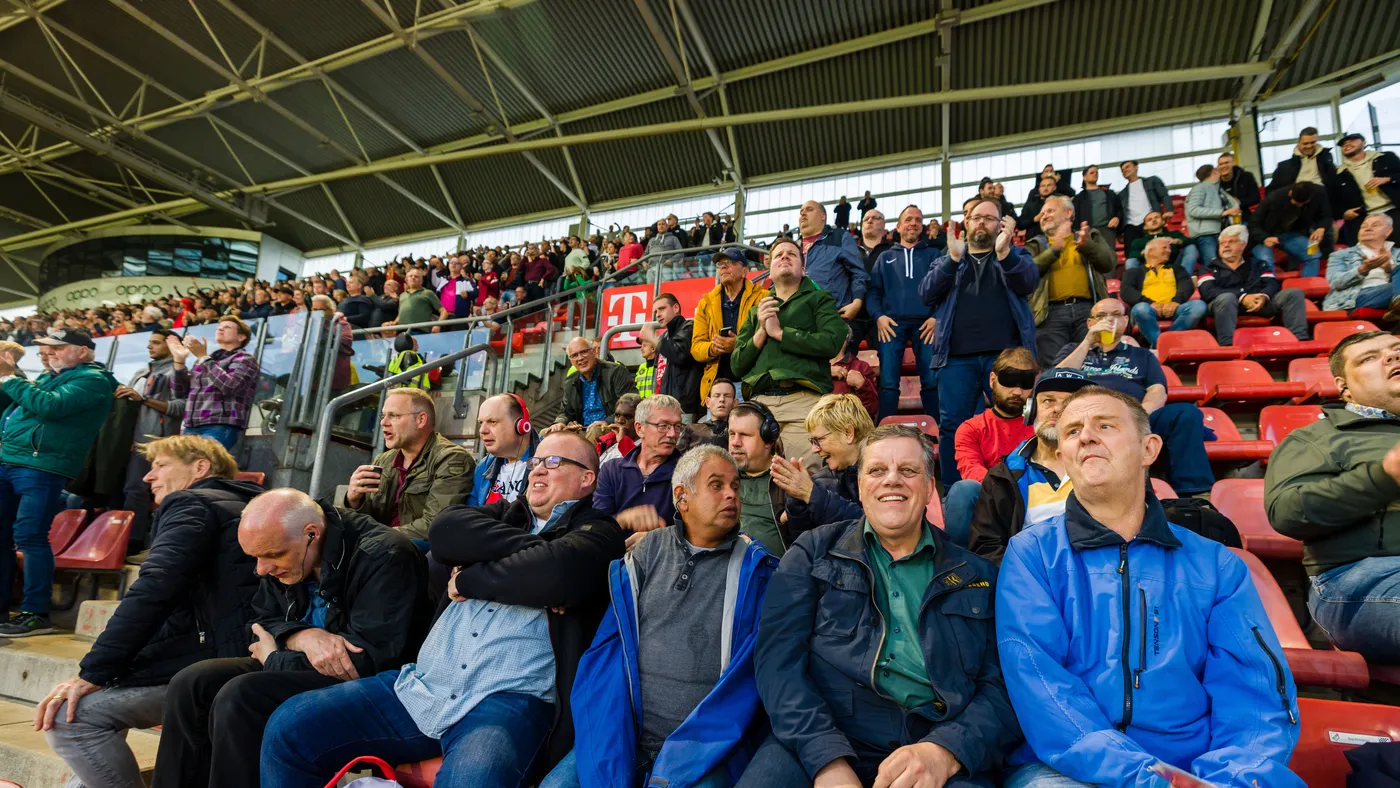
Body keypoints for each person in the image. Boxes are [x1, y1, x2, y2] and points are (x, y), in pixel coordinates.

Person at [259, 432, 626, 787]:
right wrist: (535, 554)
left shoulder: (598, 532)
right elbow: (446, 530)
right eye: (537, 460)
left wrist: (470, 577)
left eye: (555, 461)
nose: (539, 469)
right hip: (423, 685)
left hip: (508, 701)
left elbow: (554, 573)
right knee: (289, 727)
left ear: (587, 478)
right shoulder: (503, 513)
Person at [996, 387, 1303, 788]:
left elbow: (1254, 692)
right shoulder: (1031, 555)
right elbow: (1043, 687)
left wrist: (1235, 777)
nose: (1086, 436)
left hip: (1196, 765)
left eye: (1104, 425)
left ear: (1149, 449)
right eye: (1072, 431)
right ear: (1063, 459)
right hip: (1067, 765)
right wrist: (1149, 779)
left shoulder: (1216, 564)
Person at [740, 424, 1020, 787]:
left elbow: (1002, 687)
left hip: (937, 744)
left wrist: (945, 752)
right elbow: (777, 663)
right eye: (876, 470)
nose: (892, 481)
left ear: (930, 486)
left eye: (908, 471)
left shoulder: (977, 574)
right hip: (823, 735)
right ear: (859, 485)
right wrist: (825, 758)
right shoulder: (812, 552)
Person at [153, 488, 432, 788]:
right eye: (256, 557)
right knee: (192, 683)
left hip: (375, 683)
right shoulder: (287, 554)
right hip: (304, 662)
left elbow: (365, 662)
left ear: (311, 533)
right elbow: (260, 619)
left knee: (242, 696)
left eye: (271, 555)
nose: (262, 570)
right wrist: (299, 635)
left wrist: (275, 657)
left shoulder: (384, 554)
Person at [544, 445, 777, 788]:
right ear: (682, 497)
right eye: (717, 485)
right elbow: (609, 641)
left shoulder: (756, 569)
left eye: (735, 487)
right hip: (624, 734)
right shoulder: (648, 550)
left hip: (704, 750)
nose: (731, 494)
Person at [36, 436, 261, 788]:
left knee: (71, 718)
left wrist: (93, 671)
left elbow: (156, 587)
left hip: (217, 667)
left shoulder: (192, 503)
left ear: (200, 467)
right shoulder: (248, 505)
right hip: (235, 656)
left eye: (161, 466)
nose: (147, 477)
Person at [1265, 331, 1400, 662]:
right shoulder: (1316, 438)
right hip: (1363, 580)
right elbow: (1287, 512)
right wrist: (1384, 476)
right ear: (1344, 387)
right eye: (1369, 358)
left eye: (1397, 350)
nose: (1392, 358)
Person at [0, 330, 117, 637]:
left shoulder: (93, 380)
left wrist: (10, 378)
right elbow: (17, 413)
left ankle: (36, 613)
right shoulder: (48, 379)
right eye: (45, 348)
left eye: (56, 347)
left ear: (83, 351)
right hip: (10, 461)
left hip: (42, 466)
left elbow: (49, 407)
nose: (47, 352)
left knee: (30, 537)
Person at [920, 198, 1038, 487]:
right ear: (967, 222)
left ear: (1001, 225)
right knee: (952, 427)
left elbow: (1028, 282)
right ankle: (954, 491)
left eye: (989, 218)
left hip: (1006, 358)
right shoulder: (949, 258)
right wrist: (952, 259)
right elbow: (926, 294)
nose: (982, 222)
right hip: (957, 359)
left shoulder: (1016, 255)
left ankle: (1026, 486)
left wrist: (1005, 252)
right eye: (976, 217)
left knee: (1019, 420)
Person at [1053, 298, 1215, 496]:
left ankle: (1195, 495)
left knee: (1185, 413)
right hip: (1086, 419)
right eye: (1101, 316)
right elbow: (1055, 381)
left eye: (1115, 315)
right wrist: (1087, 342)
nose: (1108, 320)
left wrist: (1137, 416)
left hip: (1135, 417)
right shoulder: (1073, 350)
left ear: (1125, 321)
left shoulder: (1142, 355)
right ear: (1090, 323)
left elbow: (1157, 390)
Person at [731, 237, 847, 463]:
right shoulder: (756, 311)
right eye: (778, 255)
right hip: (759, 404)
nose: (784, 256)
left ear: (802, 269)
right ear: (770, 268)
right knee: (749, 474)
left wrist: (780, 334)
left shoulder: (819, 299)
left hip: (804, 401)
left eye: (791, 254)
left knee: (808, 475)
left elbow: (832, 342)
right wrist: (762, 332)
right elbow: (736, 365)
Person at [968, 368, 1090, 563]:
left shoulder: (1114, 468)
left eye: (1070, 403)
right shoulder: (1003, 476)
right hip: (1028, 581)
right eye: (1048, 400)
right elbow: (987, 548)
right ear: (1031, 409)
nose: (1057, 409)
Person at [344, 387, 474, 548]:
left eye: (394, 416)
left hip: (417, 552)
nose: (384, 422)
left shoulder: (451, 458)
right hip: (380, 547)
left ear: (421, 420)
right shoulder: (383, 460)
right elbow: (369, 519)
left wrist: (376, 538)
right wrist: (355, 501)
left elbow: (435, 524)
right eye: (383, 415)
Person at [945, 347, 1037, 548]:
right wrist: (1006, 491)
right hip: (992, 503)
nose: (1017, 391)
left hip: (1035, 503)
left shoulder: (1041, 427)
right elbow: (970, 470)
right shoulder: (971, 429)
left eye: (1025, 383)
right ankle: (960, 562)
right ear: (992, 379)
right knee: (963, 490)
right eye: (1009, 381)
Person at [113, 329, 187, 546]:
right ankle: (115, 540)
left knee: (136, 490)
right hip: (128, 440)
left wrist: (142, 399)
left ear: (170, 345)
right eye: (149, 342)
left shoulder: (178, 372)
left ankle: (133, 542)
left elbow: (180, 407)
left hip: (153, 442)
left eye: (155, 342)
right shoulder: (141, 371)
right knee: (121, 490)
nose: (149, 346)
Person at [868, 205, 940, 420]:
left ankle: (937, 429)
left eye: (918, 220)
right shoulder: (885, 257)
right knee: (889, 382)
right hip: (892, 324)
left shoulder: (934, 255)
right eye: (908, 219)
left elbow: (946, 290)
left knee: (931, 380)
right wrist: (879, 316)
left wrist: (937, 317)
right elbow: (873, 293)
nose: (913, 223)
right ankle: (885, 429)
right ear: (898, 227)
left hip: (926, 324)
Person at [1026, 194, 1116, 363]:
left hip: (1088, 311)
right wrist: (1054, 250)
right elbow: (1028, 271)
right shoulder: (1035, 244)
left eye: (1050, 211)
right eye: (1042, 214)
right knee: (1055, 367)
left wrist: (1088, 246)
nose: (1044, 216)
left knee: (1092, 363)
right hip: (1049, 314)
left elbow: (1108, 263)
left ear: (1068, 213)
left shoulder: (1090, 236)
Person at [771, 393, 874, 537]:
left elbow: (872, 528)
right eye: (812, 441)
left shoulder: (886, 475)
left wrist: (811, 494)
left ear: (848, 433)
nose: (814, 449)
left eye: (819, 440)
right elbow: (802, 540)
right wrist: (796, 500)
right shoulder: (819, 481)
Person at [1200, 224, 1310, 345]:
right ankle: (1227, 346)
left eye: (1231, 242)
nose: (1226, 245)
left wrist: (1263, 296)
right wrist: (1242, 297)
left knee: (1293, 293)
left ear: (1243, 244)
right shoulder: (1208, 269)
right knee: (1227, 298)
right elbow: (1208, 292)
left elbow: (1272, 284)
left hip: (1259, 303)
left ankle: (1300, 342)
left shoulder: (1258, 264)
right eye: (1222, 243)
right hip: (1226, 306)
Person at [592, 394, 684, 538]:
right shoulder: (611, 470)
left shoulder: (687, 474)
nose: (672, 434)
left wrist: (656, 540)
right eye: (663, 426)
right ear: (640, 428)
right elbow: (595, 527)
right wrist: (622, 519)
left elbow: (697, 533)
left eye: (677, 426)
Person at [168, 315, 259, 451]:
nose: (220, 329)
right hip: (190, 427)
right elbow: (179, 392)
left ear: (241, 337)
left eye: (227, 327)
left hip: (220, 425)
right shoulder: (206, 360)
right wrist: (179, 361)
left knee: (202, 466)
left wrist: (203, 357)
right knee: (186, 469)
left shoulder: (245, 358)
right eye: (219, 328)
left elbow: (230, 386)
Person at [693, 247, 767, 405]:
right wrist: (715, 347)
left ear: (745, 270)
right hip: (718, 388)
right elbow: (696, 347)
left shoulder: (763, 297)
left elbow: (769, 338)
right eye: (720, 264)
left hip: (752, 383)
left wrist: (738, 345)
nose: (724, 266)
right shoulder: (705, 303)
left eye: (730, 262)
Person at [727, 401, 791, 556]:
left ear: (768, 440)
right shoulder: (721, 477)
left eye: (744, 435)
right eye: (731, 434)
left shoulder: (789, 481)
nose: (735, 442)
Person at [1120, 236, 1207, 348]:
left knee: (1199, 306)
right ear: (1150, 251)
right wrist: (1150, 303)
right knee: (1140, 308)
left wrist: (1175, 302)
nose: (1169, 250)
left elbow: (1187, 285)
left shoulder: (1177, 269)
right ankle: (1164, 344)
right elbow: (1126, 291)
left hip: (1174, 308)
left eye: (1169, 248)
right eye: (1164, 247)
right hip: (1148, 309)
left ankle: (1164, 341)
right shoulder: (1134, 271)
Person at [797, 200, 869, 329]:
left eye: (809, 210)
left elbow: (858, 272)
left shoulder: (839, 237)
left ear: (823, 216)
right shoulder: (792, 247)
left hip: (833, 316)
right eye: (801, 212)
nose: (803, 214)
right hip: (799, 319)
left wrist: (857, 302)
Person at [549, 336, 638, 432]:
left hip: (611, 428)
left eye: (583, 352)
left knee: (595, 430)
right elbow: (566, 412)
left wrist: (606, 422)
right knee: (548, 433)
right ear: (571, 360)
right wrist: (559, 423)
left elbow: (631, 405)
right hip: (582, 430)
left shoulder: (616, 372)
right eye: (574, 355)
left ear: (593, 352)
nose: (580, 358)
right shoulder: (570, 382)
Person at [1249, 181, 1332, 278]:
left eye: (1302, 203)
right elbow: (1253, 224)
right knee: (1266, 262)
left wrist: (1321, 228)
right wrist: (1264, 238)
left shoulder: (1319, 193)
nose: (1299, 206)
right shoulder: (1274, 198)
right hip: (1263, 235)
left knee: (1313, 255)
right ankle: (1270, 290)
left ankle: (1306, 289)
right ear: (1290, 193)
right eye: (1296, 202)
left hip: (1291, 234)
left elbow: (1326, 215)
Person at [470, 393, 538, 506]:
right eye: (481, 423)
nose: (482, 430)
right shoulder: (484, 466)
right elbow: (473, 514)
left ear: (521, 426)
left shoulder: (547, 461)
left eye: (493, 422)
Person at [1324, 213, 1400, 314]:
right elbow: (1335, 282)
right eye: (1364, 226)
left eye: (1375, 225)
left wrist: (1390, 268)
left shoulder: (1398, 253)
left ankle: (1397, 306)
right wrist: (1363, 269)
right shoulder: (1341, 254)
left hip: (1390, 293)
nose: (1368, 229)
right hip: (1355, 298)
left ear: (1388, 231)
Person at [1335, 132, 1400, 245]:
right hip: (1364, 217)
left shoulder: (1386, 158)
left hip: (1394, 210)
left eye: (1352, 140)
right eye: (1343, 144)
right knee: (1369, 254)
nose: (1347, 144)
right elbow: (1332, 200)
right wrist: (1343, 213)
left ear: (1364, 143)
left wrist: (1388, 179)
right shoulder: (1339, 174)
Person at [652, 293, 702, 420]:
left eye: (662, 309)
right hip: (665, 407)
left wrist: (654, 340)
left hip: (685, 409)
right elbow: (659, 377)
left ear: (675, 308)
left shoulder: (690, 327)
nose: (657, 314)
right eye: (655, 311)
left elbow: (680, 355)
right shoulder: (663, 338)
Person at [1185, 163, 1241, 267]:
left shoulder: (1218, 190)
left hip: (1220, 233)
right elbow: (1193, 210)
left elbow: (1234, 205)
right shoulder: (1200, 188)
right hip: (1206, 235)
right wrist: (1223, 212)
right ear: (1214, 171)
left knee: (1221, 266)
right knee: (1212, 266)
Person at [1118, 159, 1173, 254]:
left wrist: (1169, 209)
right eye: (1122, 170)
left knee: (1158, 252)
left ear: (1136, 167)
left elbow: (1164, 195)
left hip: (1151, 223)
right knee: (1132, 255)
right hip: (1131, 227)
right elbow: (1119, 213)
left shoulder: (1152, 181)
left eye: (1127, 167)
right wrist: (1119, 233)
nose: (1125, 170)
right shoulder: (1122, 194)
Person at [1269, 126, 1338, 194]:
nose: (1309, 146)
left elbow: (1334, 181)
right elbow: (1272, 189)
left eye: (1312, 142)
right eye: (1305, 143)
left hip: (1321, 197)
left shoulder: (1326, 159)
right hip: (1297, 198)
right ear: (1298, 143)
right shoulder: (1284, 167)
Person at [828, 328, 878, 420]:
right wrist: (825, 372)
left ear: (845, 337)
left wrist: (862, 385)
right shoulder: (811, 366)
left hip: (846, 424)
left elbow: (871, 409)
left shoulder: (860, 367)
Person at [1071, 165, 1123, 251]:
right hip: (1088, 231)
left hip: (1107, 230)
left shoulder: (1109, 193)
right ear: (1084, 177)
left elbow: (1119, 209)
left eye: (1096, 172)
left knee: (1109, 258)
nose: (1095, 174)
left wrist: (1117, 218)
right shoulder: (1078, 198)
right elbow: (1074, 218)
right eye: (1092, 173)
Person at [1125, 209, 1197, 271]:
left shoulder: (1174, 234)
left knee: (1191, 247)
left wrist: (1176, 241)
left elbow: (1192, 241)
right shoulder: (1139, 241)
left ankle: (1185, 278)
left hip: (1174, 268)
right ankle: (1135, 283)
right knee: (1131, 261)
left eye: (1157, 217)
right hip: (1148, 271)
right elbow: (1131, 255)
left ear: (1163, 221)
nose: (1154, 220)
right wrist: (1145, 251)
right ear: (1145, 227)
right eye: (1149, 220)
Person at [395, 268, 447, 333]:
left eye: (416, 276)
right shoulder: (402, 295)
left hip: (420, 330)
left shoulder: (428, 293)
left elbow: (443, 311)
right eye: (411, 276)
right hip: (401, 331)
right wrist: (394, 323)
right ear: (406, 280)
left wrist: (438, 325)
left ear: (421, 281)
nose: (413, 277)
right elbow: (400, 314)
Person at [1217, 151, 1261, 221]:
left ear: (1234, 163)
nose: (1224, 166)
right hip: (1222, 219)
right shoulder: (1215, 182)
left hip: (1242, 216)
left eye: (1227, 163)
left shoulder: (1246, 176)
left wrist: (1239, 202)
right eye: (1221, 164)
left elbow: (1256, 198)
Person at [700, 376, 737, 446]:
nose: (722, 399)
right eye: (717, 396)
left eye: (727, 396)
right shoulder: (693, 431)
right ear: (708, 402)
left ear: (735, 403)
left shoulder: (741, 432)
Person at [636, 329, 658, 398]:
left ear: (653, 349)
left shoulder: (661, 366)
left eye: (644, 346)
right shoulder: (641, 367)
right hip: (642, 405)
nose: (641, 349)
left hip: (656, 405)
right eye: (641, 346)